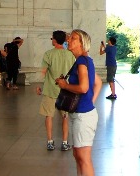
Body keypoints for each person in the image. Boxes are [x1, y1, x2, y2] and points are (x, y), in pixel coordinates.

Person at [55, 29, 102, 176]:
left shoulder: (82, 61)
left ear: (82, 43)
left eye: (73, 38)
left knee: (84, 157)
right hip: (81, 113)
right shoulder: (85, 60)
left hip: (83, 116)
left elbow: (83, 87)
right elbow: (98, 83)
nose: (68, 40)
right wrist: (89, 102)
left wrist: (65, 86)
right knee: (78, 154)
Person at [37, 30, 75, 151]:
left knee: (49, 116)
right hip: (65, 90)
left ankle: (50, 141)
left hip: (50, 90)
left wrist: (39, 85)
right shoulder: (70, 54)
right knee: (65, 117)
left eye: (52, 38)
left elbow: (43, 72)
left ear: (55, 40)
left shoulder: (48, 54)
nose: (51, 40)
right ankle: (64, 142)